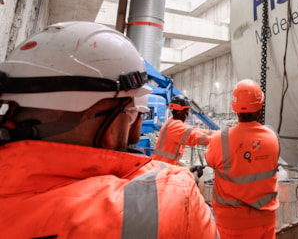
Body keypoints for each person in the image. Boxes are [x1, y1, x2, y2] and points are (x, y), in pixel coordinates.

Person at [0, 21, 218, 239]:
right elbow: (198, 137)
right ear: (111, 123)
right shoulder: (174, 196)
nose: (135, 127)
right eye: (132, 115)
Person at [205, 79, 280, 239]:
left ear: (235, 108)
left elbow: (210, 161)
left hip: (232, 225)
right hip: (265, 221)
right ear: (260, 109)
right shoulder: (273, 138)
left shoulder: (219, 140)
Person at [151, 95, 213, 167]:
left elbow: (195, 130)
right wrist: (216, 139)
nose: (187, 114)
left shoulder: (172, 122)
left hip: (166, 163)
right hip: (162, 167)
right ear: (181, 112)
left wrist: (217, 133)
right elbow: (194, 136)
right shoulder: (174, 126)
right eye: (186, 111)